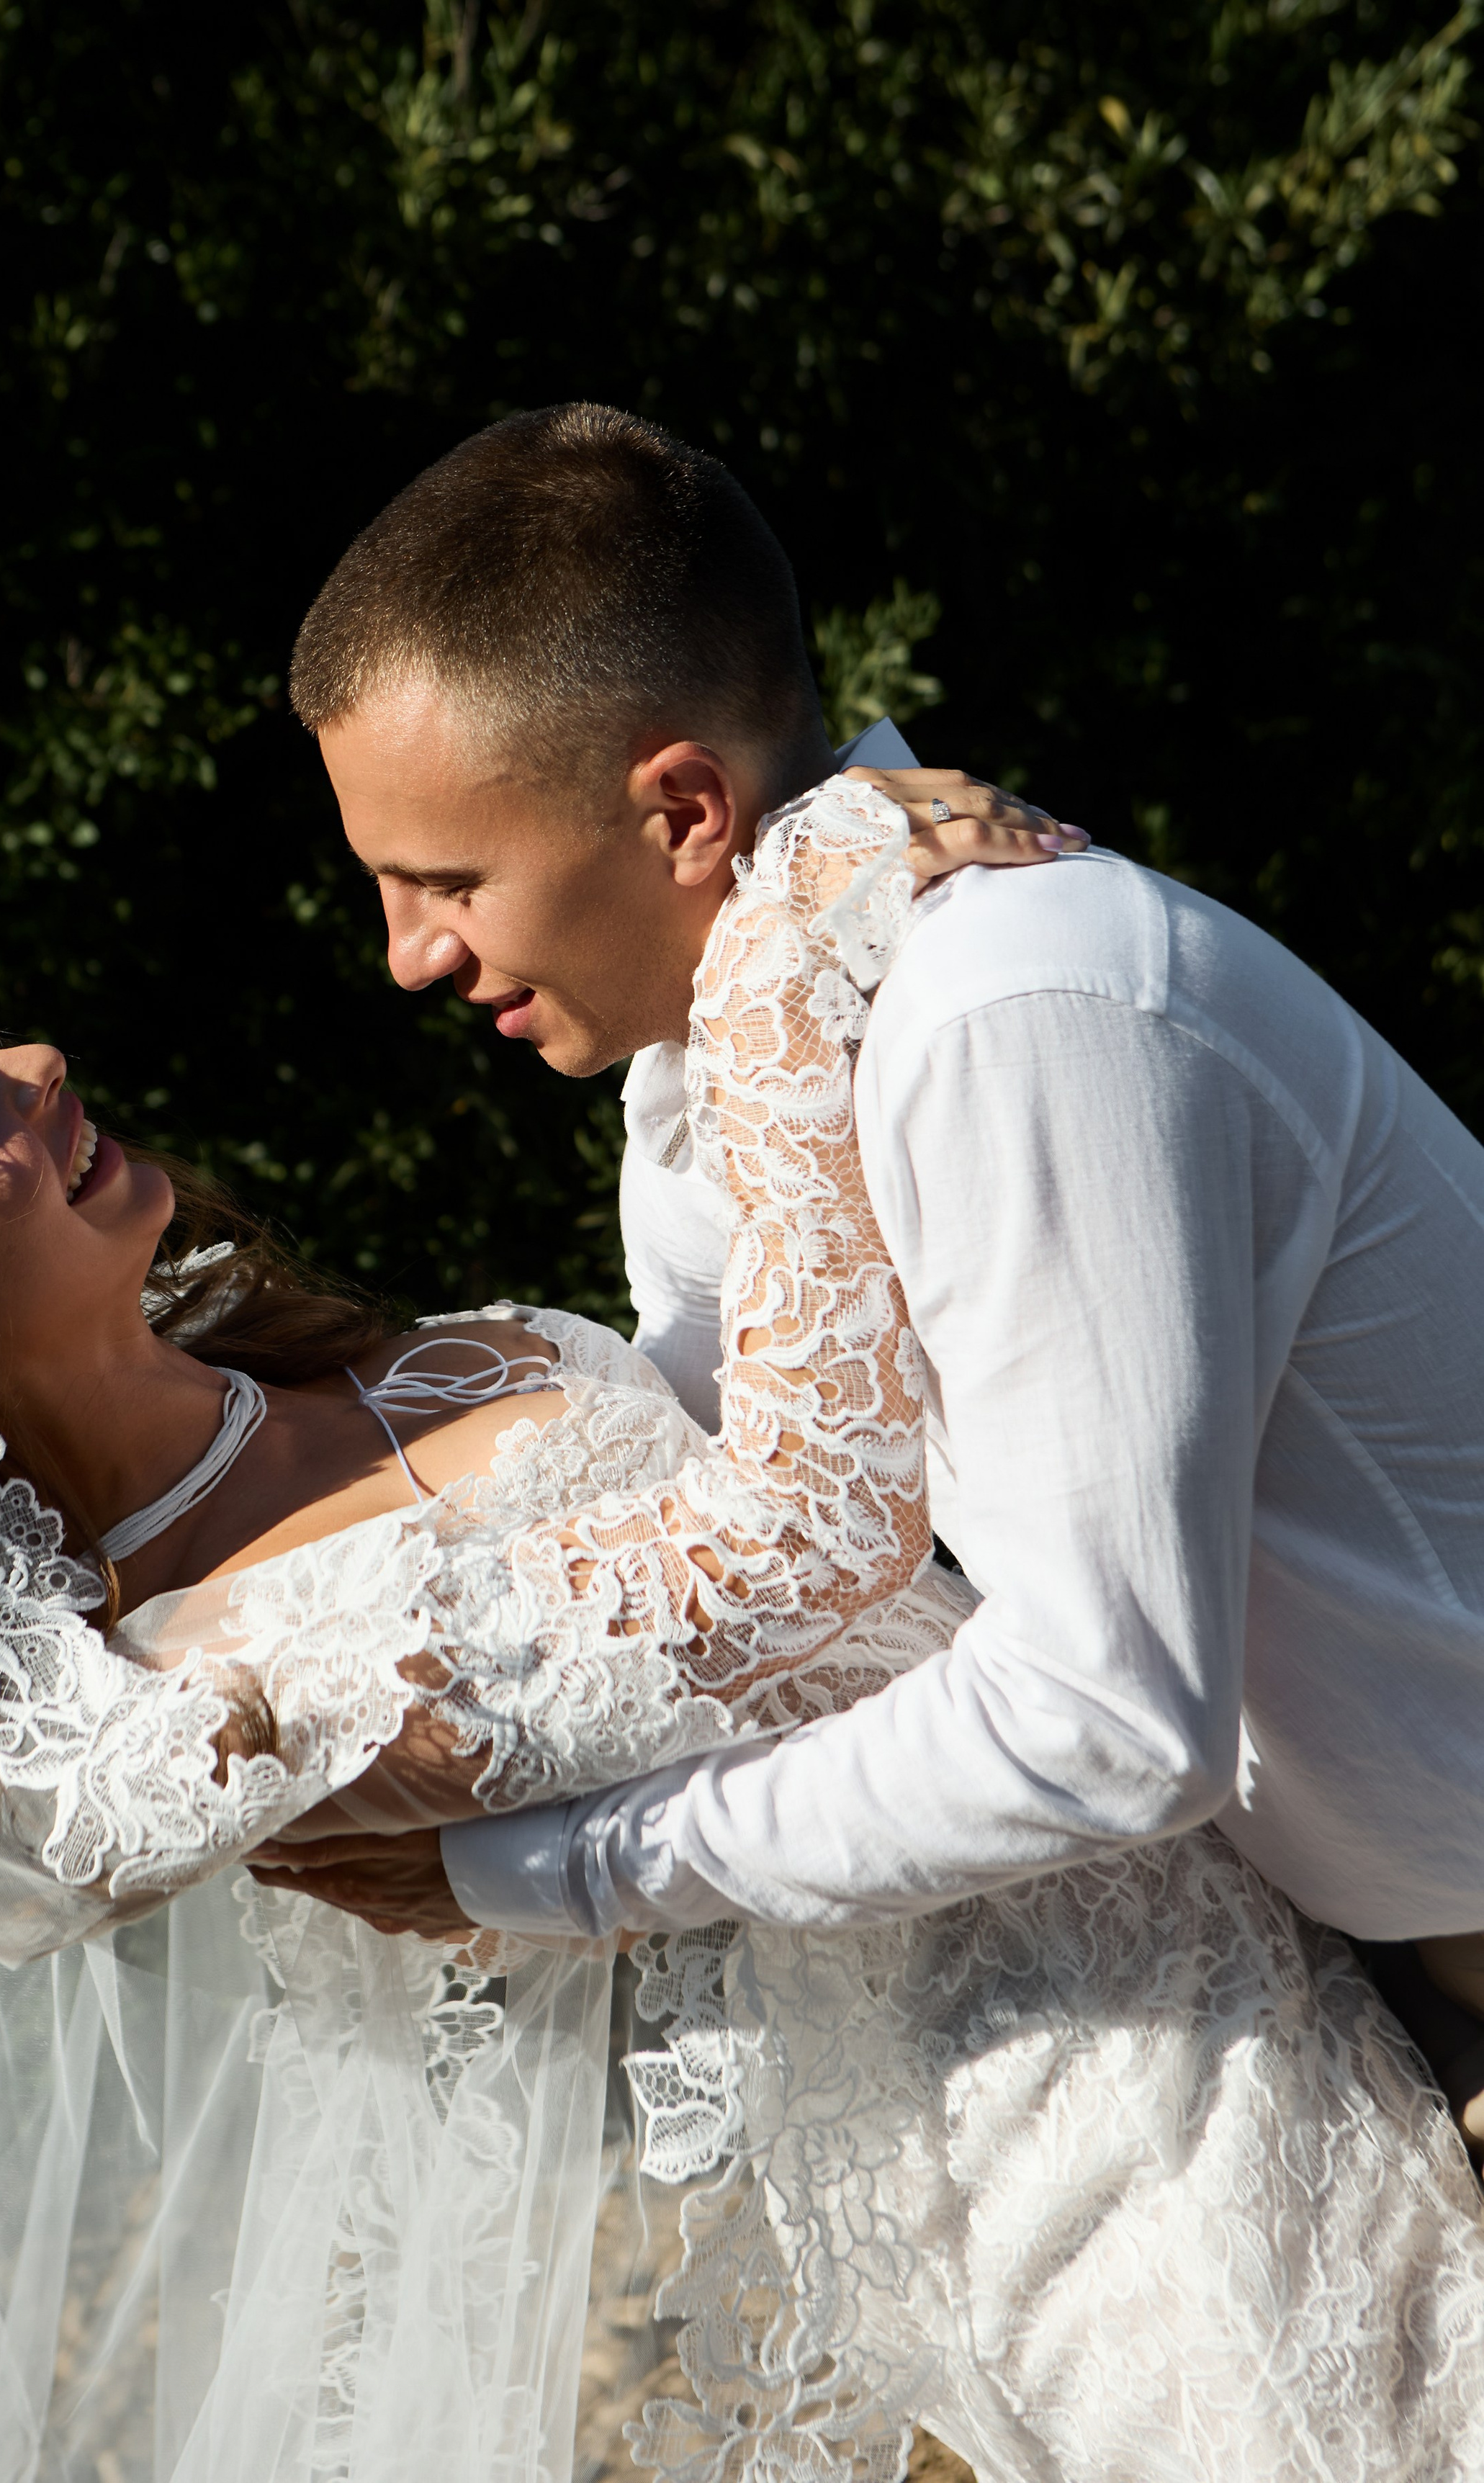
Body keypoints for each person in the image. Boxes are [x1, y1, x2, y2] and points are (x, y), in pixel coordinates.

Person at [0, 795, 1484, 2483]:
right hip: (1076, 2152)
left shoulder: (355, 1366)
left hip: (1276, 1950)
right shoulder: (226, 1681)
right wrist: (783, 936)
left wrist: (735, 969)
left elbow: (754, 1395)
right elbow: (799, 1529)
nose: (38, 1066)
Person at [279, 401, 1484, 2147]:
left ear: (683, 809)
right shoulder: (741, 1053)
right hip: (1379, 1947)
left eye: (444, 881)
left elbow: (1102, 1715)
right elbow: (721, 1508)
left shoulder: (1007, 1011)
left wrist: (554, 1873)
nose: (407, 955)